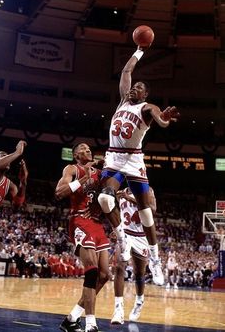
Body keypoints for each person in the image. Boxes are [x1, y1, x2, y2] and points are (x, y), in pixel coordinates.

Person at [98, 45, 180, 285]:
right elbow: (126, 72)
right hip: (114, 158)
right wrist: (140, 50)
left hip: (133, 160)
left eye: (140, 88)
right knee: (104, 199)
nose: (135, 88)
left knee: (146, 213)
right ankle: (122, 239)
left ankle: (155, 259)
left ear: (145, 95)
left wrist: (163, 119)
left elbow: (160, 118)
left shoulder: (146, 108)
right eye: (134, 87)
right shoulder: (123, 101)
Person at [55, 143, 110, 332]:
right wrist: (84, 177)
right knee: (92, 271)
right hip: (79, 220)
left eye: (89, 149)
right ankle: (91, 324)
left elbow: (107, 194)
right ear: (76, 154)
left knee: (104, 275)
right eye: (83, 149)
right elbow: (59, 192)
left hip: (96, 223)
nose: (88, 150)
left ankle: (71, 319)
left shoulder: (100, 172)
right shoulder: (72, 169)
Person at [111, 186, 157, 325]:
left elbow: (153, 209)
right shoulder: (120, 191)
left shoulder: (147, 190)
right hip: (125, 234)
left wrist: (129, 198)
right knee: (119, 268)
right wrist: (117, 229)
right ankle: (118, 309)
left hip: (141, 236)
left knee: (139, 274)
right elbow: (118, 213)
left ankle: (139, 300)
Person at [0, 140, 28, 220]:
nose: (8, 160)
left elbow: (17, 205)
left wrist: (23, 182)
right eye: (3, 157)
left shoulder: (10, 185)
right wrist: (17, 153)